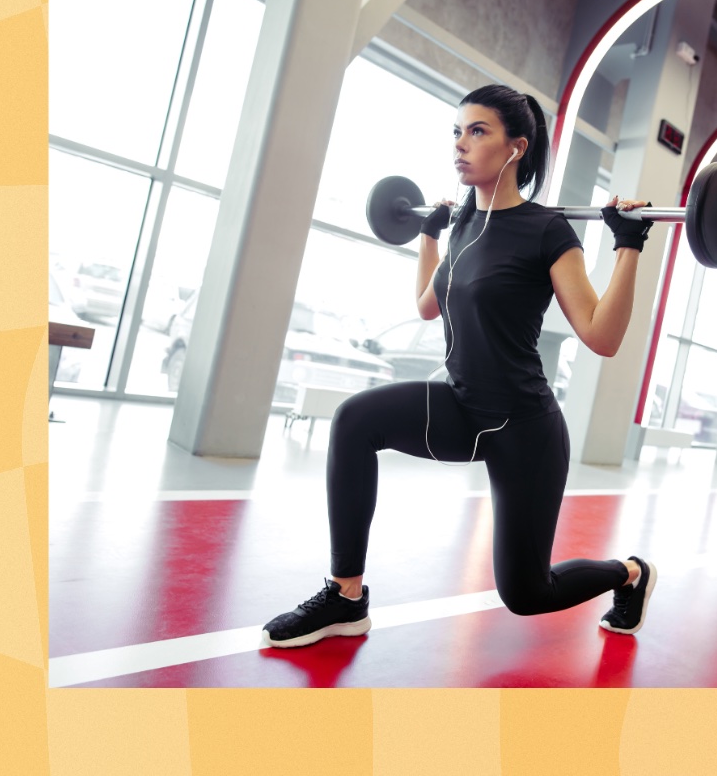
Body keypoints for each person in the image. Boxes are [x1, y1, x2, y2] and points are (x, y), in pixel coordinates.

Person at [262, 84, 657, 649]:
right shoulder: (469, 222)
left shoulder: (548, 231)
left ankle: (631, 574)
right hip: (462, 405)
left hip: (524, 426)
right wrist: (429, 234)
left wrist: (628, 247)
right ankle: (345, 598)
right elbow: (428, 303)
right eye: (456, 131)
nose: (460, 145)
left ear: (516, 148)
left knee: (527, 594)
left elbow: (603, 336)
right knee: (354, 421)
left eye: (478, 132)